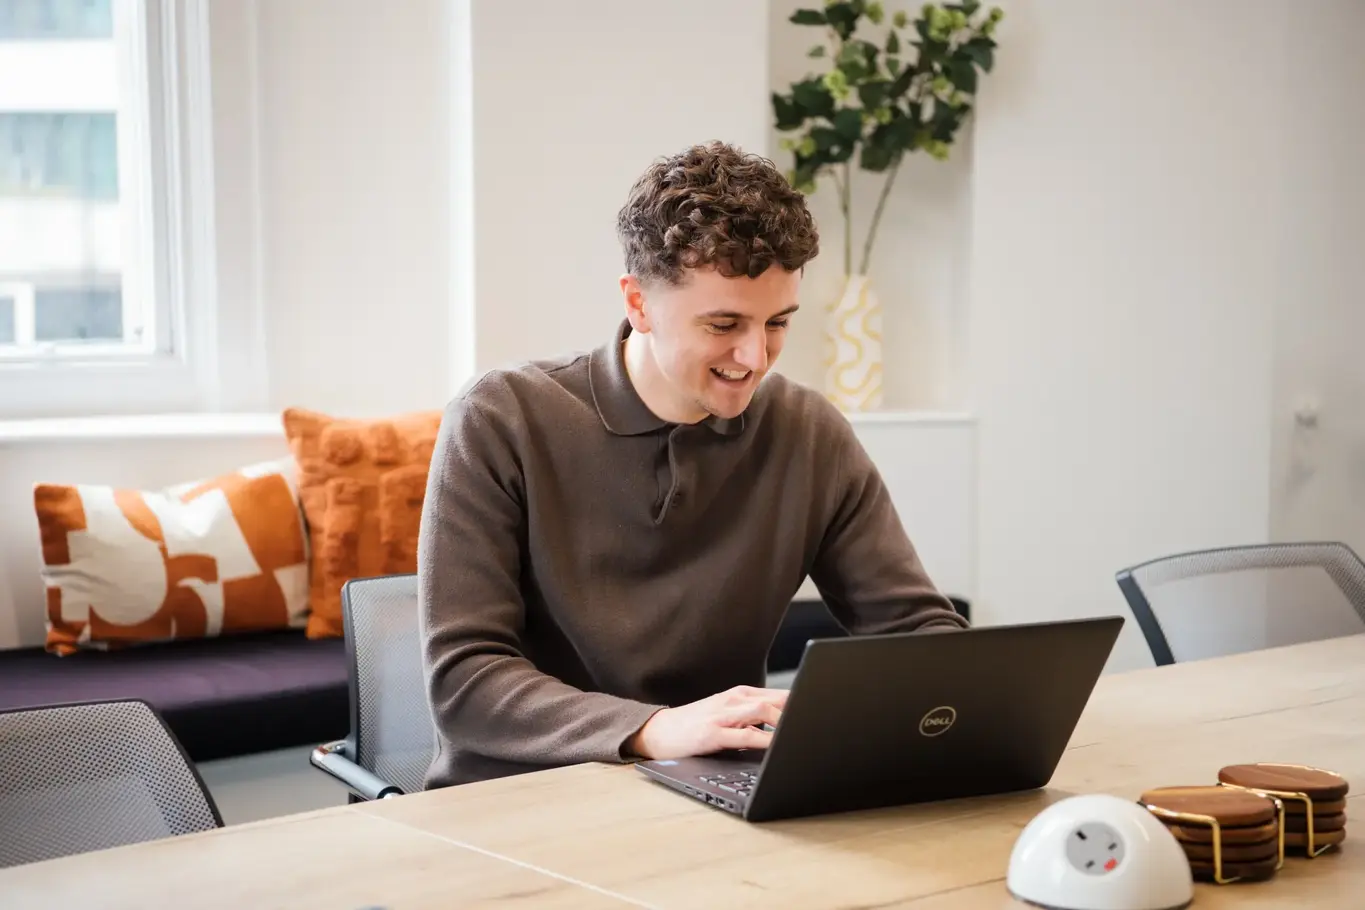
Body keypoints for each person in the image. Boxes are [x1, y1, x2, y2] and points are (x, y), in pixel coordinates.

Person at [416, 140, 968, 789]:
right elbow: (464, 681)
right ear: (638, 302)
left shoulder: (807, 433)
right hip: (519, 798)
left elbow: (916, 631)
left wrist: (947, 690)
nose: (755, 357)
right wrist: (655, 729)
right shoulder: (501, 418)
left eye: (777, 323)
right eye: (724, 324)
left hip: (708, 791)